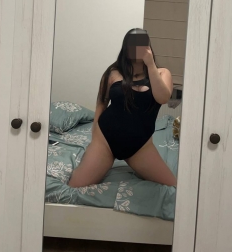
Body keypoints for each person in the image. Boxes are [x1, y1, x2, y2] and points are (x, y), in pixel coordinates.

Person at [67, 28, 177, 188]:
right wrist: (95, 132)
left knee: (173, 186)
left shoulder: (162, 73)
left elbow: (163, 98)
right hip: (106, 139)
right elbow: (102, 102)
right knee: (76, 185)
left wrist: (150, 64)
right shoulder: (113, 73)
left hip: (140, 146)